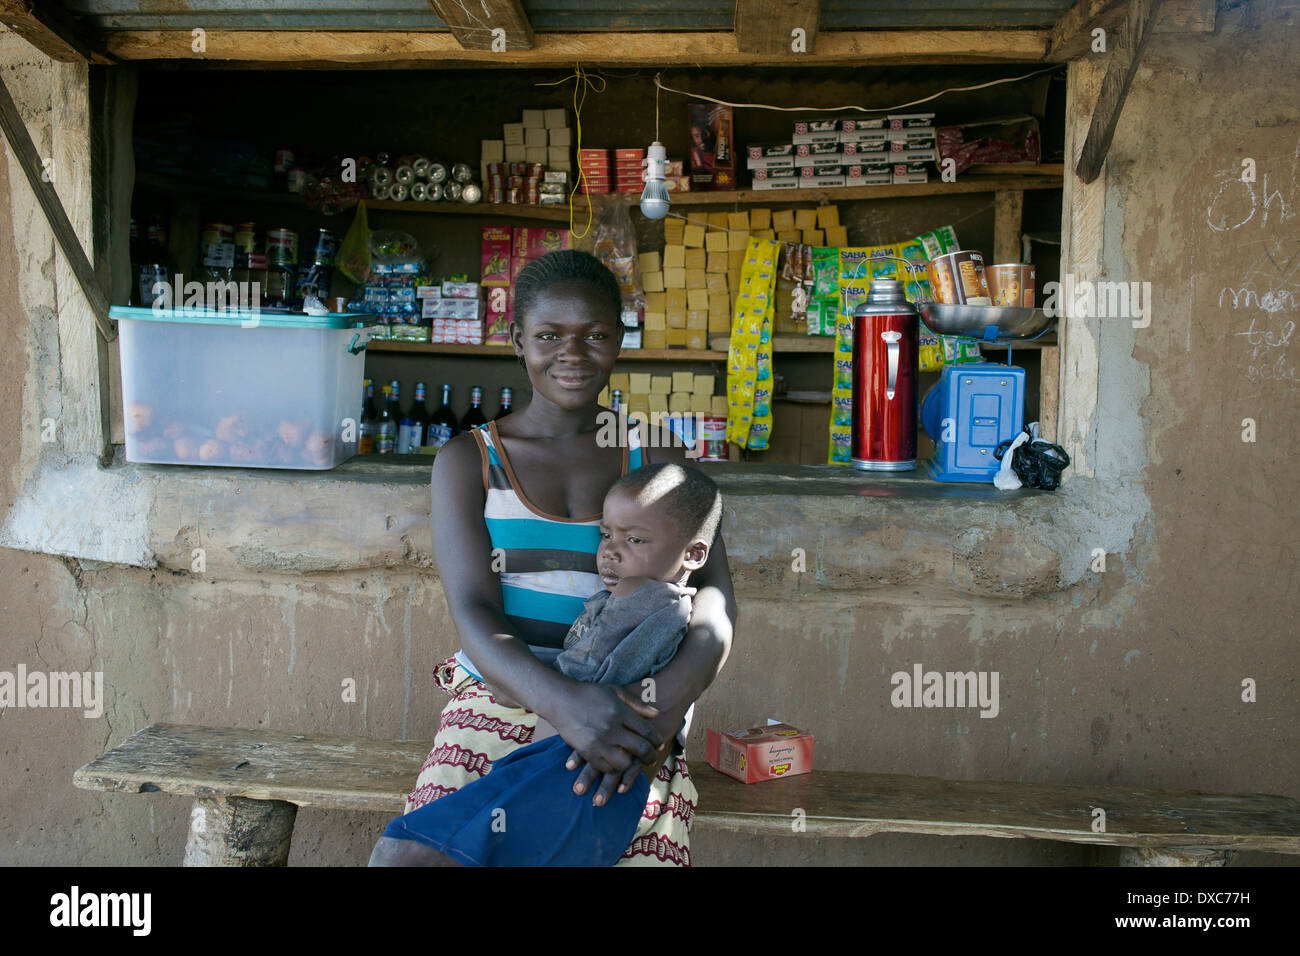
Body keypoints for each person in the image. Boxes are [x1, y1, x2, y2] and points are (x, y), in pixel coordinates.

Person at [369, 250, 737, 867]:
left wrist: (656, 708)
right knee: (423, 855)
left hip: (632, 701)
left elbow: (715, 607)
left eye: (595, 336)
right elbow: (473, 609)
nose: (573, 354)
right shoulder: (469, 460)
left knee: (609, 838)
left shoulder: (658, 456)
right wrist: (564, 704)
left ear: (619, 340)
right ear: (517, 341)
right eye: (549, 336)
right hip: (506, 690)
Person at [377, 463, 723, 865]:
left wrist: (518, 686)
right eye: (606, 535)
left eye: (635, 540)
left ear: (695, 553)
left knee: (409, 849)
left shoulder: (643, 598)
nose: (611, 551)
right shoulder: (658, 600)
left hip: (575, 754)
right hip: (582, 753)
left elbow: (593, 669)